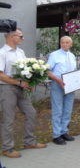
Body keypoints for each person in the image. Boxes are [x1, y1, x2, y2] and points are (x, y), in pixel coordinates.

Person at [0, 29, 46, 158]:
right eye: (21, 36)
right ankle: (7, 149)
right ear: (11, 37)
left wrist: (29, 83)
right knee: (9, 119)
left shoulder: (21, 52)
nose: (23, 38)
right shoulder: (2, 53)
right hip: (7, 89)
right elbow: (1, 75)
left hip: (22, 88)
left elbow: (27, 70)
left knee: (31, 112)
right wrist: (19, 83)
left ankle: (29, 142)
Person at [47, 36, 77, 145]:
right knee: (57, 110)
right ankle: (56, 135)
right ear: (60, 43)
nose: (64, 44)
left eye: (67, 42)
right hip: (57, 84)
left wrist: (78, 83)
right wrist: (58, 80)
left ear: (71, 44)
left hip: (70, 86)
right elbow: (48, 71)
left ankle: (64, 132)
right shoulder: (54, 55)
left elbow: (74, 72)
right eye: (62, 42)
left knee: (68, 110)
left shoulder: (72, 56)